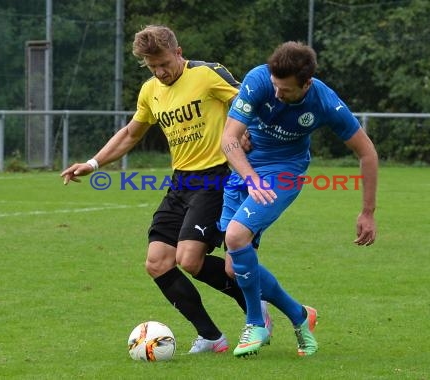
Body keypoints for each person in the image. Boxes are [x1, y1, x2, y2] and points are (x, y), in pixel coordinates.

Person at [60, 25, 272, 354]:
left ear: (178, 52)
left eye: (163, 63)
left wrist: (244, 133)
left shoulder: (207, 74)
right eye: (151, 66)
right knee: (157, 262)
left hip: (214, 177)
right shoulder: (150, 91)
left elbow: (250, 101)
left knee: (189, 259)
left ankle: (254, 304)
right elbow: (132, 133)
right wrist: (94, 163)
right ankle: (212, 337)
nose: (159, 72)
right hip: (180, 182)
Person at [220, 41, 378, 357]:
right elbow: (229, 138)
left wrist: (367, 212)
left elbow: (367, 153)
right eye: (275, 86)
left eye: (286, 90)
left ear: (306, 84)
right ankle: (300, 315)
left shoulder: (325, 103)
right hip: (246, 170)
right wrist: (250, 177)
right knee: (232, 268)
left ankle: (256, 323)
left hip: (285, 172)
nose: (277, 94)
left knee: (236, 236)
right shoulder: (259, 79)